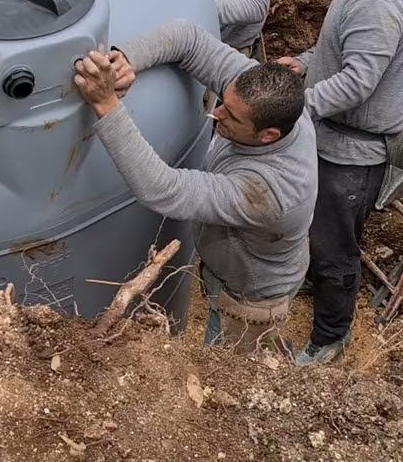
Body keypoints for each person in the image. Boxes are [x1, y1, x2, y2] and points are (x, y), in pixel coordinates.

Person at [72, 19, 316, 351]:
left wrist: (106, 104)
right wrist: (127, 59)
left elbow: (162, 189)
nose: (217, 113)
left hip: (251, 300)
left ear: (268, 135)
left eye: (232, 117)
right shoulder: (264, 96)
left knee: (227, 368)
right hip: (231, 266)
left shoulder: (271, 195)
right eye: (223, 102)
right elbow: (187, 38)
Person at [276, 0, 403, 366]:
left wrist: (295, 106)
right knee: (320, 232)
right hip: (338, 143)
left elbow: (359, 81)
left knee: (335, 248)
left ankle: (329, 338)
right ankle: (312, 284)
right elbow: (349, 51)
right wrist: (306, 62)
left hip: (352, 156)